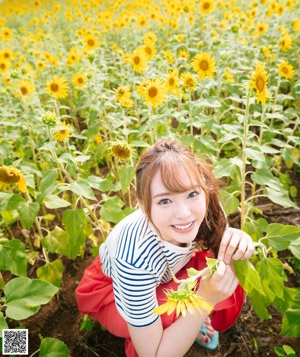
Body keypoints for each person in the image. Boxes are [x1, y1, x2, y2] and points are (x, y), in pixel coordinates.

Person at [76, 139, 254, 357]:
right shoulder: (133, 258)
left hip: (169, 270)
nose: (184, 213)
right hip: (111, 289)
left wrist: (236, 238)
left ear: (204, 189)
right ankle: (167, 328)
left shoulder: (207, 208)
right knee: (167, 315)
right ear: (143, 205)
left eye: (191, 194)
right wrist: (203, 300)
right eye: (164, 201)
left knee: (226, 262)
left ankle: (185, 323)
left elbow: (220, 238)